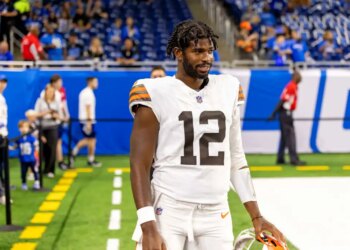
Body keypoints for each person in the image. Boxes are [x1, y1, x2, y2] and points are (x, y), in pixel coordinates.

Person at [129, 20, 285, 250]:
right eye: (198, 51)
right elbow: (139, 164)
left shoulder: (228, 88)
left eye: (210, 51)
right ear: (178, 53)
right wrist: (148, 225)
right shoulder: (154, 91)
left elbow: (235, 158)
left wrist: (256, 216)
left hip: (216, 213)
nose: (206, 57)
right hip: (169, 209)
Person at [269, 71, 306, 166]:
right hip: (286, 114)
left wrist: (275, 113)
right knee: (290, 137)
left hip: (284, 113)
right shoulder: (292, 86)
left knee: (285, 137)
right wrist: (273, 113)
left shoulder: (292, 86)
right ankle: (294, 159)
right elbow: (283, 100)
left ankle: (280, 158)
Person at [71, 77, 101, 168]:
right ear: (90, 82)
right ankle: (73, 153)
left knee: (92, 140)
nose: (97, 83)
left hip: (88, 120)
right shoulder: (87, 93)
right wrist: (88, 122)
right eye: (95, 81)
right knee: (89, 139)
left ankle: (91, 159)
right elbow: (88, 108)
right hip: (87, 120)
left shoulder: (87, 92)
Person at [34, 84, 63, 178]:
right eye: (48, 91)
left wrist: (55, 116)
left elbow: (60, 116)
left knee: (52, 148)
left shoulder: (57, 102)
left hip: (53, 126)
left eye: (52, 91)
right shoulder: (40, 101)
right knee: (41, 149)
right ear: (45, 91)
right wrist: (45, 112)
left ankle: (50, 170)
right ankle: (38, 169)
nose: (50, 93)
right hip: (42, 126)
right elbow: (35, 114)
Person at [10, 120, 40, 190]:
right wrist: (10, 148)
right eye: (21, 127)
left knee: (34, 170)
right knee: (23, 172)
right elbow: (16, 146)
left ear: (28, 128)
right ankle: (24, 183)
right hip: (23, 159)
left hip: (32, 158)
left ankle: (37, 182)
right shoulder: (19, 138)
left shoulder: (31, 138)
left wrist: (36, 153)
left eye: (25, 127)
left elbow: (36, 145)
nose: (23, 129)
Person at [0, 75, 8, 205]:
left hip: (3, 133)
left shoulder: (2, 98)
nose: (2, 84)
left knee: (1, 165)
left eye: (4, 82)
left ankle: (2, 191)